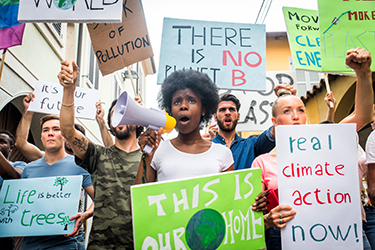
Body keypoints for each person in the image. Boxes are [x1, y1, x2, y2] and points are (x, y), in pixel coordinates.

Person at [252, 47, 373, 249]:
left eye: (300, 110)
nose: (295, 116)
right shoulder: (262, 162)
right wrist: (267, 220)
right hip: (287, 238)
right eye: (287, 111)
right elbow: (257, 211)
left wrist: (363, 73)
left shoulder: (326, 141)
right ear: (275, 121)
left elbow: (362, 115)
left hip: (340, 232)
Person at [58, 60, 144, 250]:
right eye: (113, 114)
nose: (118, 116)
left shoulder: (151, 160)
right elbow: (67, 130)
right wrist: (69, 90)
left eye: (124, 112)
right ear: (111, 125)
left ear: (137, 121)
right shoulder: (98, 155)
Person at [134, 69, 234, 184]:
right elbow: (138, 200)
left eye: (191, 100)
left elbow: (231, 199)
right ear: (171, 110)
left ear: (203, 110)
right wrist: (147, 157)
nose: (183, 106)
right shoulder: (157, 150)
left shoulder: (223, 153)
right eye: (177, 102)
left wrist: (258, 200)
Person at [20, 114, 94, 250]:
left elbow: (101, 198)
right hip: (30, 244)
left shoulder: (79, 166)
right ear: (41, 136)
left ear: (65, 136)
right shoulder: (29, 169)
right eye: (45, 130)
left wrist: (86, 214)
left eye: (56, 129)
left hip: (66, 243)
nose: (50, 134)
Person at [210, 84, 296, 170]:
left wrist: (286, 101)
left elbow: (276, 130)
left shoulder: (251, 145)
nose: (227, 112)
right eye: (222, 110)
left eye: (232, 109)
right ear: (215, 117)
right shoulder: (207, 147)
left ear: (238, 116)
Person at [15, 93, 111, 160]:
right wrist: (28, 111)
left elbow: (113, 155)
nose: (71, 139)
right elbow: (21, 144)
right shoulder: (45, 158)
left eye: (75, 137)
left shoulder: (87, 163)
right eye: (46, 130)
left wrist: (101, 121)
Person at [0, 130, 26, 250]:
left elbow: (13, 176)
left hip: (3, 233)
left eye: (2, 142)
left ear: (11, 148)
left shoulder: (20, 165)